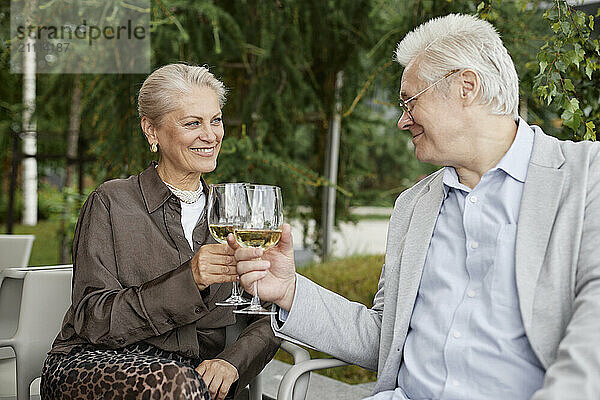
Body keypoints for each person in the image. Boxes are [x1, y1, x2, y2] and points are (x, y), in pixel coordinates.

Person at [233, 14, 600, 400]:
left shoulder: (585, 176)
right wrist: (289, 290)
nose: (402, 121)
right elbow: (384, 337)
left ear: (466, 86)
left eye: (410, 101)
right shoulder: (413, 206)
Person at [41, 63, 281, 400]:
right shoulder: (111, 202)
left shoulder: (232, 216)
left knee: (184, 383)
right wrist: (190, 281)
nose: (210, 135)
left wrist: (232, 362)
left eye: (215, 120)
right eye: (192, 123)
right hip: (95, 364)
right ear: (152, 131)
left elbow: (269, 311)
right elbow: (93, 319)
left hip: (190, 380)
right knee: (177, 383)